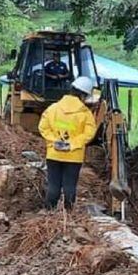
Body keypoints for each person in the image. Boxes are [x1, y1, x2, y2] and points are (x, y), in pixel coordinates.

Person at [38, 76, 97, 210]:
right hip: (74, 156)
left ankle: (49, 214)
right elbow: (89, 133)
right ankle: (69, 216)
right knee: (70, 187)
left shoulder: (53, 108)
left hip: (54, 154)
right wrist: (72, 144)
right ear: (83, 95)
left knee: (53, 187)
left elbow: (43, 127)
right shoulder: (86, 113)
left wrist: (55, 141)